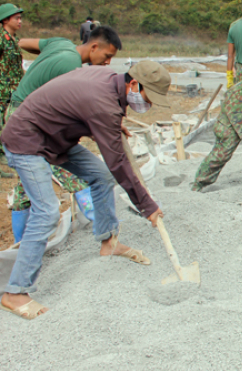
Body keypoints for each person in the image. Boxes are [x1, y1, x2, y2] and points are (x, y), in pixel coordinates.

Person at [0, 61, 169, 320]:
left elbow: (89, 109)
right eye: (149, 97)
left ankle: (108, 241)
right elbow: (118, 164)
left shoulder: (110, 79)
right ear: (134, 84)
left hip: (55, 136)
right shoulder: (102, 104)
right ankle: (16, 292)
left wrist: (112, 125)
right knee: (47, 212)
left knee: (100, 177)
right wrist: (147, 205)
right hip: (27, 139)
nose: (149, 104)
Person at [7, 26, 123, 240]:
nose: (108, 62)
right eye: (107, 56)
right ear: (94, 46)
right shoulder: (71, 67)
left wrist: (42, 66)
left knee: (25, 186)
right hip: (29, 123)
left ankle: (19, 242)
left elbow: (23, 43)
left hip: (15, 113)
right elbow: (69, 110)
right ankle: (97, 222)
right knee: (73, 170)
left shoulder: (61, 44)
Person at [0, 3, 24, 131]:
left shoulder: (14, 40)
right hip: (2, 91)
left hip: (14, 90)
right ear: (5, 20)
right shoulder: (1, 38)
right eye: (16, 18)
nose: (20, 21)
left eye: (20, 18)